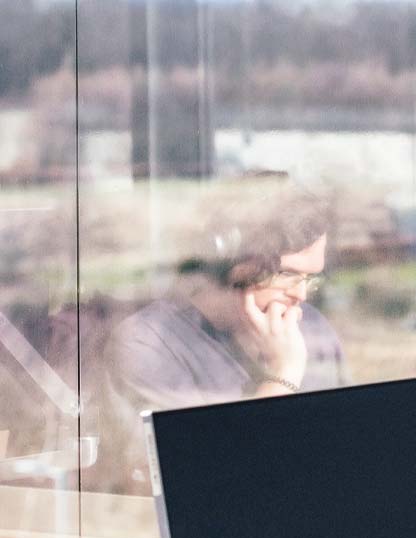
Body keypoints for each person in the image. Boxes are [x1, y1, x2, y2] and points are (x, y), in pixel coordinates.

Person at [100, 189, 349, 488]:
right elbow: (212, 476)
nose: (301, 295)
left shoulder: (311, 327)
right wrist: (283, 375)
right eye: (287, 275)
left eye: (310, 278)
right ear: (234, 263)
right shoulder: (147, 344)